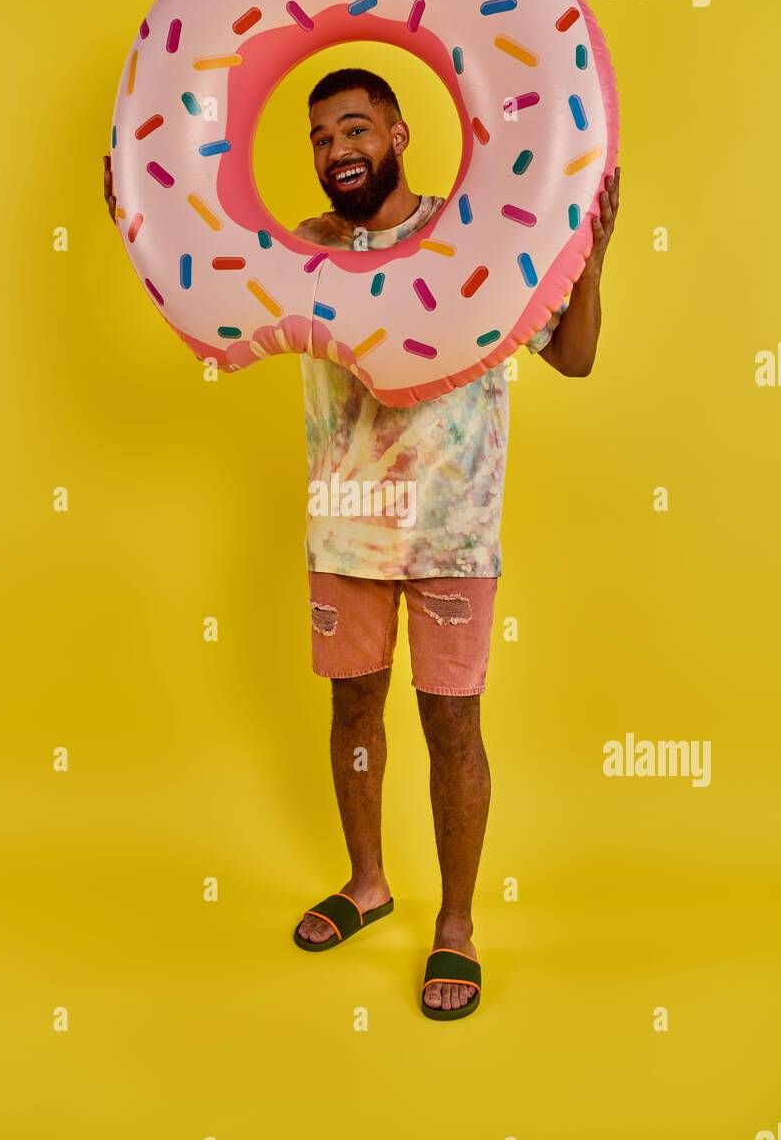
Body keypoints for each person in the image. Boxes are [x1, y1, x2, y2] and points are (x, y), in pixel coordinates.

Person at [102, 69, 620, 1021]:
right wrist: (145, 228)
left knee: (452, 725)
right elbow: (208, 314)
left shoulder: (480, 232)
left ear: (399, 133)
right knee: (353, 711)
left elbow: (575, 355)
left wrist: (593, 254)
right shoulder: (306, 246)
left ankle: (456, 927)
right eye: (319, 138)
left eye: (353, 129)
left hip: (454, 530)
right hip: (345, 522)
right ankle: (368, 882)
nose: (336, 150)